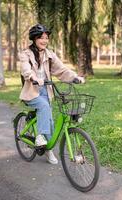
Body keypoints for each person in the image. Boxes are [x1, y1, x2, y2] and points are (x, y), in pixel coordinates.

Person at [19, 24, 85, 164]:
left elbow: (61, 69)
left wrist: (75, 77)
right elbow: (26, 69)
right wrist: (34, 78)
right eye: (41, 38)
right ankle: (40, 137)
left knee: (49, 120)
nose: (44, 40)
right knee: (44, 107)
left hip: (46, 91)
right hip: (31, 91)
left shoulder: (49, 55)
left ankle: (48, 149)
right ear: (34, 39)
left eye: (46, 38)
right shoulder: (25, 54)